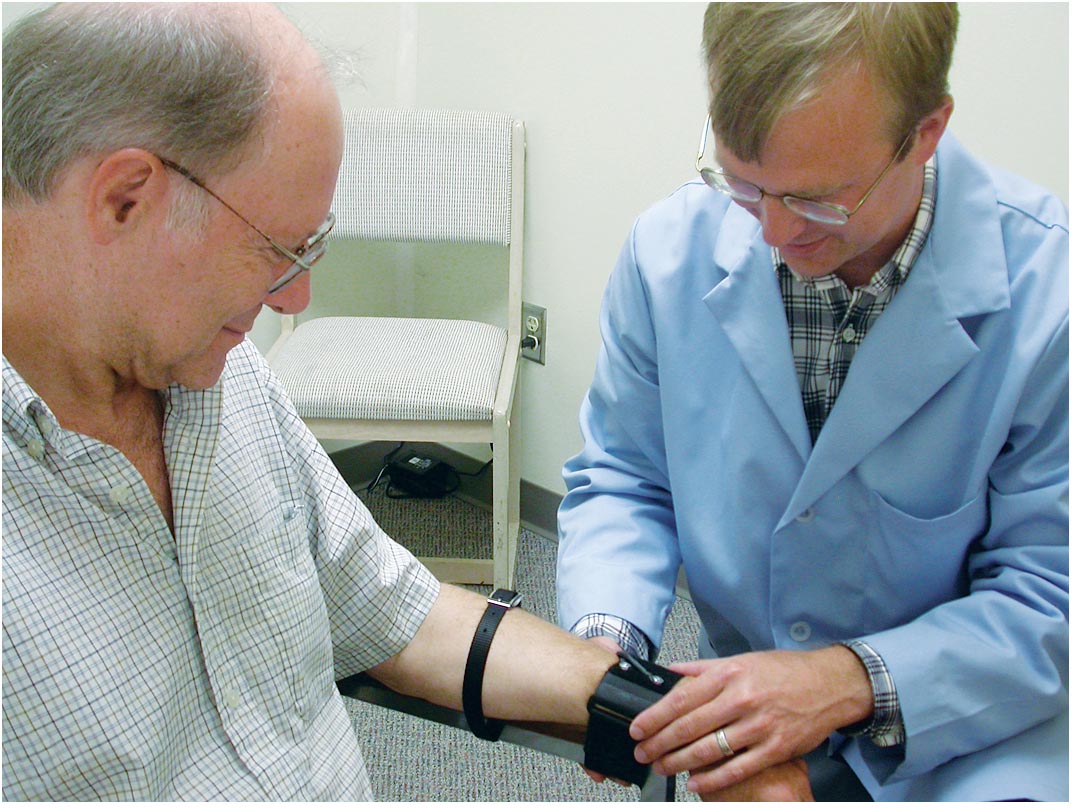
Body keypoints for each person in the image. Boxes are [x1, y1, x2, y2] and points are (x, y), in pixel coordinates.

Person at [0, 4, 626, 800]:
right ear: (125, 199)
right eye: (280, 250)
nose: (296, 298)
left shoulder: (223, 383)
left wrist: (661, 707)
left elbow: (399, 614)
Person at [557, 2, 1068, 801]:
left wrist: (846, 680)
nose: (772, 234)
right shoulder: (666, 256)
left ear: (926, 133)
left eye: (820, 199)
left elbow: (1050, 595)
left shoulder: (1050, 299)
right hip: (739, 730)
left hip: (966, 742)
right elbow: (626, 479)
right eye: (743, 184)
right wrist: (607, 648)